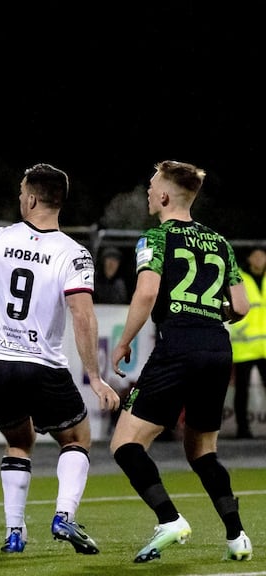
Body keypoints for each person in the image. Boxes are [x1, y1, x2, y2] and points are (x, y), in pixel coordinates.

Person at [0, 163, 120, 555]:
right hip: (41, 362)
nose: (20, 198)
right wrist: (95, 375)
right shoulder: (74, 254)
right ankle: (63, 516)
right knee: (77, 438)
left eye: (23, 192)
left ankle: (14, 533)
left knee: (19, 442)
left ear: (34, 198)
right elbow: (82, 314)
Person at [109, 160, 253, 563]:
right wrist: (208, 315)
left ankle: (169, 518)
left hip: (178, 347)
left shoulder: (155, 238)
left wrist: (124, 343)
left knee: (124, 443)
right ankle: (237, 535)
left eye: (152, 185)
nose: (148, 191)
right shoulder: (220, 242)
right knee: (202, 450)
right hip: (217, 349)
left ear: (166, 195)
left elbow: (146, 294)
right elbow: (240, 305)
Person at [227, 246, 266, 439]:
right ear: (249, 259)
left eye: (262, 256)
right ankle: (242, 428)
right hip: (245, 346)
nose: (259, 259)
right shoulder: (238, 277)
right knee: (241, 391)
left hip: (264, 347)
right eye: (256, 255)